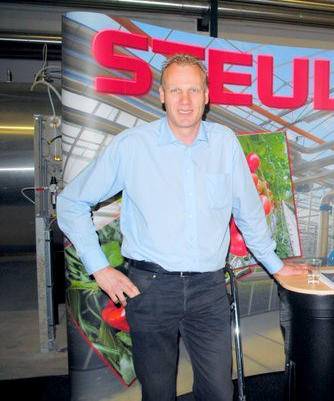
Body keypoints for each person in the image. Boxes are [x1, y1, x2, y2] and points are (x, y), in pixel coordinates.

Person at [57, 53, 307, 401]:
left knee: (218, 391)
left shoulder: (224, 143)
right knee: (158, 392)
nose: (185, 100)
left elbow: (249, 212)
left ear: (207, 95)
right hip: (150, 289)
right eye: (175, 90)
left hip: (209, 289)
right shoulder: (132, 146)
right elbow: (70, 203)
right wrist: (100, 268)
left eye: (194, 90)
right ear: (162, 95)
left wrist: (276, 266)